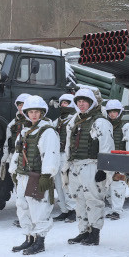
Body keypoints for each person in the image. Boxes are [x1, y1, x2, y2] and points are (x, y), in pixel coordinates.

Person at [9, 95, 61, 255]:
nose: (33, 115)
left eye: (37, 112)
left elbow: (50, 154)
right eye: (30, 111)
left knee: (39, 209)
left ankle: (40, 241)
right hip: (23, 176)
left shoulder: (47, 132)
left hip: (37, 177)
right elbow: (17, 154)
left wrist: (47, 175)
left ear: (42, 113)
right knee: (23, 208)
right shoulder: (25, 131)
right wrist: (13, 171)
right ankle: (29, 238)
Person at [66, 88, 114, 246]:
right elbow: (68, 144)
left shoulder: (100, 122)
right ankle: (83, 231)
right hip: (75, 166)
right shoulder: (74, 120)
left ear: (91, 103)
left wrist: (103, 169)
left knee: (94, 200)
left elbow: (107, 146)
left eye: (84, 101)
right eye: (78, 101)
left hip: (91, 165)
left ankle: (94, 233)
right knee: (79, 200)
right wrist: (66, 165)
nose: (81, 104)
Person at [105, 99, 129, 220]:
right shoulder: (106, 125)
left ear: (120, 112)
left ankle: (117, 211)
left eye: (115, 111)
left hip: (121, 158)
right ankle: (113, 208)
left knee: (118, 185)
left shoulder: (126, 126)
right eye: (110, 112)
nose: (112, 114)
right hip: (108, 159)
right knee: (107, 184)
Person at [5, 93, 30, 228]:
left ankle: (30, 217)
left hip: (29, 159)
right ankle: (23, 217)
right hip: (16, 158)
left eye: (23, 105)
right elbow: (8, 141)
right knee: (19, 189)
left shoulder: (34, 122)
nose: (21, 107)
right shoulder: (13, 123)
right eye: (19, 105)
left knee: (29, 190)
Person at [52, 93, 77, 223]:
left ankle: (73, 209)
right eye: (62, 103)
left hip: (67, 156)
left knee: (67, 183)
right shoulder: (57, 121)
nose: (63, 105)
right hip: (57, 155)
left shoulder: (75, 119)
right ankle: (64, 210)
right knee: (58, 184)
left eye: (66, 103)